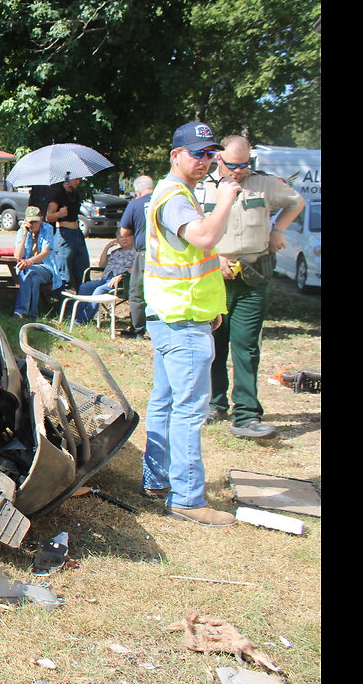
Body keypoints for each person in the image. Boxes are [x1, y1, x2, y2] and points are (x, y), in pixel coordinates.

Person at [141, 122, 241, 528]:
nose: (205, 161)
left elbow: (188, 255)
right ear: (175, 155)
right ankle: (186, 498)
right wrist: (226, 199)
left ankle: (157, 480)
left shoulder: (173, 193)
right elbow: (202, 237)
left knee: (165, 402)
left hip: (174, 316)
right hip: (182, 323)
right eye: (197, 153)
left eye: (210, 153)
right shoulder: (175, 197)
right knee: (189, 410)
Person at [196, 135, 306, 440]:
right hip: (214, 278)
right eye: (233, 165)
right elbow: (190, 232)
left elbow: (297, 202)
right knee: (214, 347)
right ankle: (214, 404)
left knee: (246, 348)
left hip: (252, 278)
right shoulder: (202, 186)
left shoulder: (266, 184)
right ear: (219, 159)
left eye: (245, 164)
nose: (240, 170)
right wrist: (213, 256)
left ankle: (246, 414)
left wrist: (278, 229)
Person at [117, 175, 155, 337]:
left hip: (145, 253)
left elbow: (125, 232)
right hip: (167, 254)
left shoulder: (136, 204)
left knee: (137, 292)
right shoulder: (164, 200)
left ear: (138, 191)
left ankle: (138, 329)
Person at [72, 232, 137, 324]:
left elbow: (135, 269)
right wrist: (107, 248)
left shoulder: (136, 253)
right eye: (121, 237)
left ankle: (83, 320)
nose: (124, 239)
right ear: (117, 239)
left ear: (133, 238)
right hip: (105, 278)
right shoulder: (115, 252)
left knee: (99, 290)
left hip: (121, 281)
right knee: (84, 287)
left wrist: (122, 276)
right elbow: (101, 265)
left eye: (127, 237)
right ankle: (78, 317)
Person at [11, 205, 63, 319]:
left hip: (46, 268)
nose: (32, 224)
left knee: (28, 271)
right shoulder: (22, 231)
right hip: (28, 269)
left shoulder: (47, 229)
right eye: (30, 221)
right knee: (33, 278)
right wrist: (24, 235)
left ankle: (20, 311)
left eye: (35, 221)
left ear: (41, 219)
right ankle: (33, 314)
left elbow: (45, 252)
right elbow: (17, 256)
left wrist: (29, 261)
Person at [43, 176, 88, 290]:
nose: (78, 182)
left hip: (77, 233)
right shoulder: (57, 194)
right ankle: (63, 302)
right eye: (76, 179)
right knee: (64, 271)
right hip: (64, 234)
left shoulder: (75, 194)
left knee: (83, 269)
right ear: (67, 179)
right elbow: (48, 216)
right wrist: (59, 214)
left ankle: (83, 298)